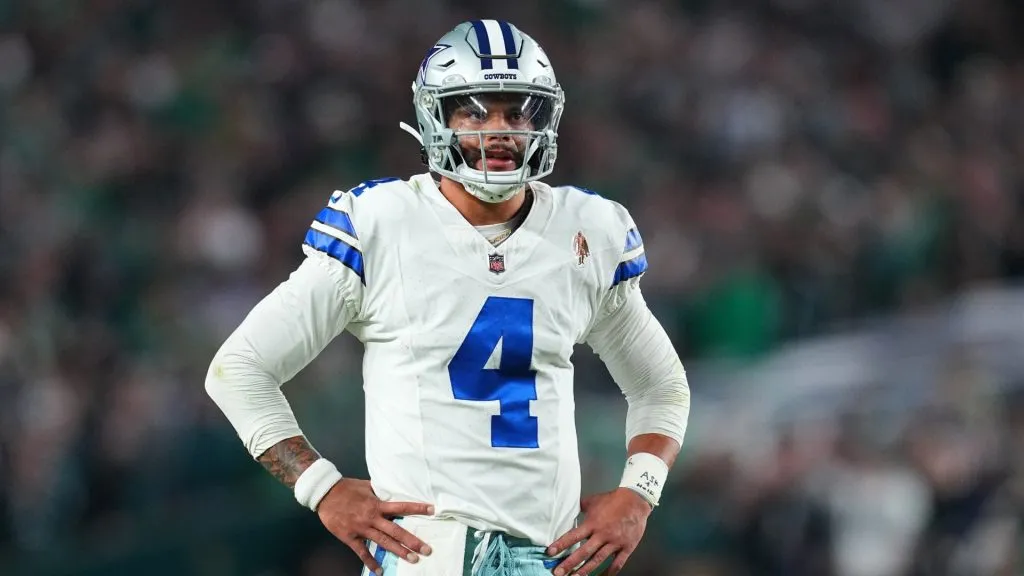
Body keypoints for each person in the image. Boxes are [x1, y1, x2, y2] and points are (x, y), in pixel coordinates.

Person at [205, 19, 690, 576]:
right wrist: (322, 487)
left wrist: (640, 492)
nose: (499, 131)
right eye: (475, 113)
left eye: (517, 113)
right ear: (436, 117)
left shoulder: (588, 230)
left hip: (549, 558)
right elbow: (239, 369)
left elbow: (660, 386)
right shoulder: (381, 223)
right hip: (427, 557)